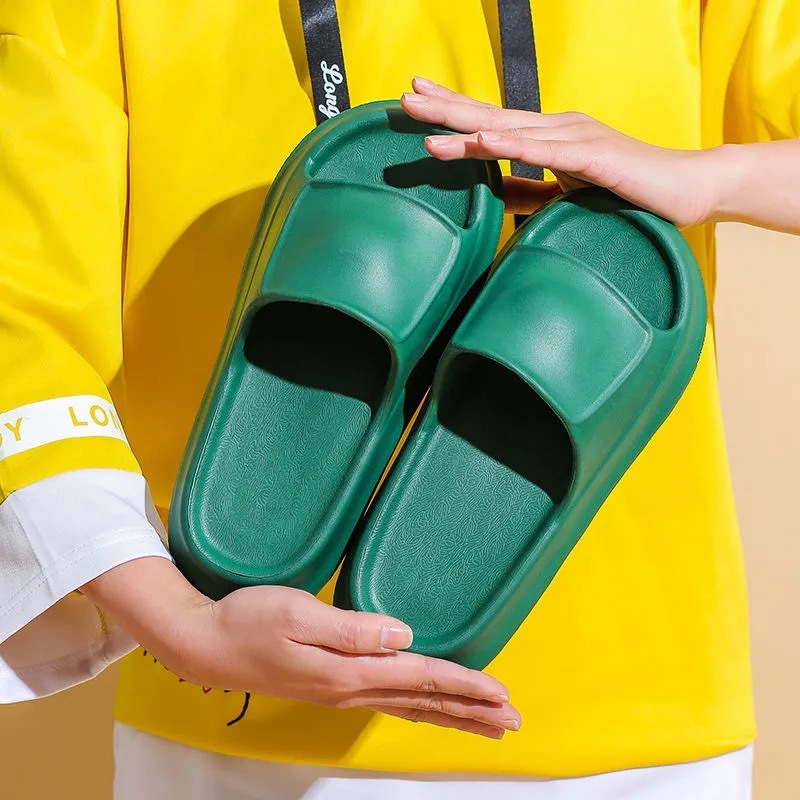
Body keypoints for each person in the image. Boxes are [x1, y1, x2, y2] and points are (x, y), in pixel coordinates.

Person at [1, 1, 798, 797]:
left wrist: (708, 176)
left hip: (635, 714)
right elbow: (17, 317)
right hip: (243, 713)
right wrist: (177, 624)